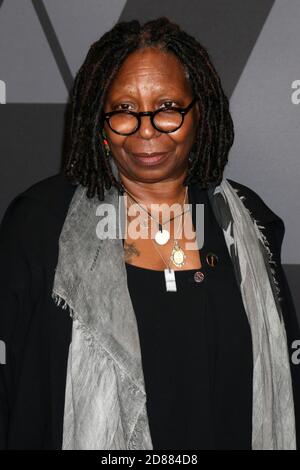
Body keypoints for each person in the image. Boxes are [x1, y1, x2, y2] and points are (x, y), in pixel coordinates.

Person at [0, 17, 299, 450]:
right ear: (99, 123)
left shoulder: (248, 224)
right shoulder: (39, 226)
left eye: (167, 109)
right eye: (123, 111)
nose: (145, 130)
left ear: (200, 114)